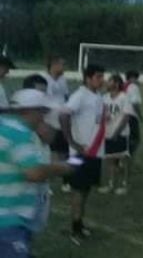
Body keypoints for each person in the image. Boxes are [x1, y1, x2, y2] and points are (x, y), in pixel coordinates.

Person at [0, 89, 74, 258]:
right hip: (8, 218)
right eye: (42, 112)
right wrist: (64, 168)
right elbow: (34, 173)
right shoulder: (18, 133)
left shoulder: (4, 127)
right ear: (29, 111)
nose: (43, 118)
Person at [59, 64, 107, 245]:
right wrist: (72, 142)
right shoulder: (80, 95)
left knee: (85, 189)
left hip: (94, 152)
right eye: (98, 76)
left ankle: (79, 224)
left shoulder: (98, 96)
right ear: (88, 78)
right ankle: (74, 228)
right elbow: (63, 115)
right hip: (79, 153)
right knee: (77, 190)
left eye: (102, 76)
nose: (101, 80)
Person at [98, 75, 136, 195]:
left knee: (123, 159)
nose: (107, 82)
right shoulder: (104, 97)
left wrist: (117, 132)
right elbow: (101, 113)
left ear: (117, 84)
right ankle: (111, 184)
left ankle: (125, 185)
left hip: (121, 133)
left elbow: (126, 117)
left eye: (110, 81)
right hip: (107, 133)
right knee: (110, 159)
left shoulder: (124, 97)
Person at [39, 56, 70, 192]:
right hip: (49, 121)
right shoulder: (43, 79)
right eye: (62, 64)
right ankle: (47, 183)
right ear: (53, 65)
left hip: (62, 121)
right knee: (48, 153)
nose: (64, 67)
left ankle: (66, 181)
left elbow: (66, 96)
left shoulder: (63, 79)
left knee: (65, 151)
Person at [124, 70, 143, 160]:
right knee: (135, 139)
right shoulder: (133, 87)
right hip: (131, 116)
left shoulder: (123, 85)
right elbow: (134, 103)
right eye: (136, 78)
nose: (137, 80)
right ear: (131, 77)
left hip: (122, 115)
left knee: (125, 138)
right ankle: (127, 157)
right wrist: (140, 116)